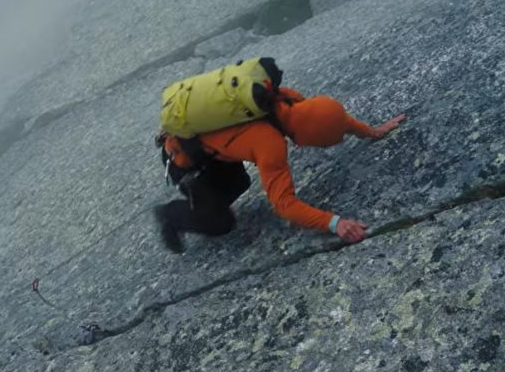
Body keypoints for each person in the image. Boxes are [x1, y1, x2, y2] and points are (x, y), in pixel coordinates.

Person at [154, 86, 406, 253]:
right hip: (185, 163)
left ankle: (207, 193)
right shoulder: (269, 143)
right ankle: (171, 214)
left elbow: (335, 118)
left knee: (240, 182)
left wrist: (373, 132)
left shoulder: (284, 98)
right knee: (222, 222)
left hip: (209, 148)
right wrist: (335, 223)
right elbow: (284, 205)